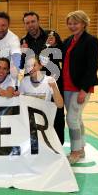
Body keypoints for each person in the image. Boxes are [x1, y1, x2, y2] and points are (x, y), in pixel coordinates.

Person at [61, 10, 98, 164]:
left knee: (71, 119)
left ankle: (75, 151)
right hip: (67, 86)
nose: (72, 26)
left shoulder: (91, 41)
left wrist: (84, 89)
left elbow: (92, 67)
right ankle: (81, 147)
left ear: (84, 23)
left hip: (81, 87)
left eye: (75, 23)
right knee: (77, 118)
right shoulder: (69, 40)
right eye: (70, 23)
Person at [21, 11, 65, 144]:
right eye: (27, 23)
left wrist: (56, 45)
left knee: (56, 113)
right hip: (33, 85)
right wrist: (23, 53)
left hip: (53, 82)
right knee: (34, 115)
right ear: (25, 25)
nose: (30, 25)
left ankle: (58, 146)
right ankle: (36, 145)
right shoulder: (24, 41)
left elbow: (63, 55)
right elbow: (22, 65)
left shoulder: (51, 36)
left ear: (38, 21)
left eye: (33, 21)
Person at [0, 12, 21, 77]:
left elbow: (17, 59)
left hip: (5, 74)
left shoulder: (14, 39)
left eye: (3, 25)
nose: (0, 28)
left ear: (8, 25)